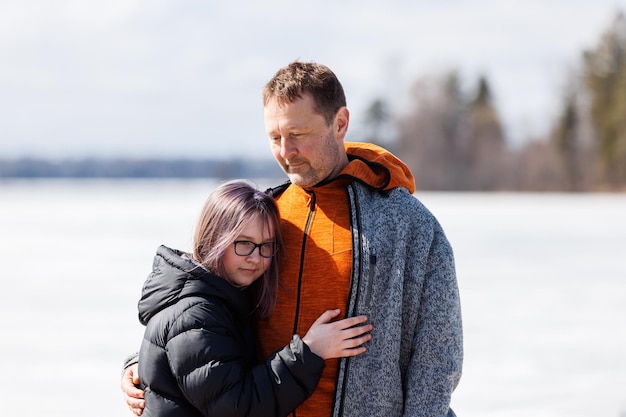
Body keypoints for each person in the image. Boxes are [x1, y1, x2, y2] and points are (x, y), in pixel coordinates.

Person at [122, 61, 463, 417]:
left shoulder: (407, 223)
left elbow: (438, 353)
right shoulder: (267, 215)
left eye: (298, 134)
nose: (285, 152)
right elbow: (200, 301)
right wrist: (143, 366)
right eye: (274, 138)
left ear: (340, 123)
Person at [134, 180, 372, 417]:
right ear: (214, 238)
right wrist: (309, 352)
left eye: (266, 246)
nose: (256, 258)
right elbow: (236, 407)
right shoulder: (196, 315)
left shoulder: (220, 299)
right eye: (244, 243)